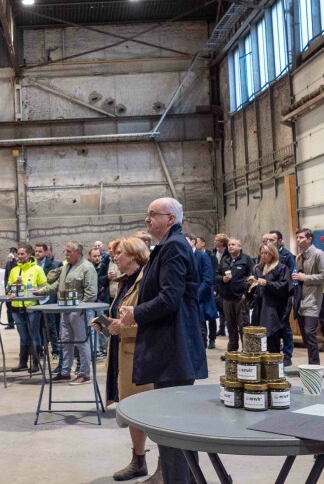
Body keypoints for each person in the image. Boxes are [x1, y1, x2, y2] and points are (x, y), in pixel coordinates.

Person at [113, 197, 209, 484]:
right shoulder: (168, 246)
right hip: (169, 347)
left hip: (174, 349)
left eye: (152, 215)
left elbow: (169, 298)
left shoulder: (175, 247)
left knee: (173, 427)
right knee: (171, 427)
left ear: (171, 218)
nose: (147, 220)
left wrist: (136, 314)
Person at [94, 237, 156, 482]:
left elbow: (151, 316)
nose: (115, 257)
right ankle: (138, 460)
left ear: (134, 255)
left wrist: (123, 326)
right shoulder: (125, 281)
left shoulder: (146, 281)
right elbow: (121, 316)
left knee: (144, 410)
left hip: (139, 353)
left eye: (119, 253)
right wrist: (106, 325)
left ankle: (163, 463)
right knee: (130, 409)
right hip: (122, 350)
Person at [35, 241, 97, 385]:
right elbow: (58, 285)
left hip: (80, 312)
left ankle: (85, 374)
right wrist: (43, 291)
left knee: (82, 342)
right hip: (65, 310)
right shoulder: (66, 267)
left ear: (78, 253)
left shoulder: (88, 268)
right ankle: (65, 372)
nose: (66, 254)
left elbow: (91, 293)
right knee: (65, 342)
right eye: (65, 251)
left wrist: (80, 309)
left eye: (69, 252)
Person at [292, 228, 324, 365]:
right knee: (305, 336)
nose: (298, 240)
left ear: (309, 239)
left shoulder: (318, 254)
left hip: (313, 301)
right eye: (297, 238)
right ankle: (311, 364)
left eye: (301, 238)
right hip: (300, 302)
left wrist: (305, 277)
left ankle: (314, 366)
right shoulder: (300, 256)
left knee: (310, 333)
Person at [5, 244, 47, 373]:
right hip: (17, 308)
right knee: (23, 336)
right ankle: (22, 363)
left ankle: (35, 363)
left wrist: (38, 291)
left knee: (34, 334)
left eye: (22, 254)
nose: (19, 256)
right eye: (18, 254)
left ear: (29, 254)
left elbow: (45, 287)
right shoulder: (14, 270)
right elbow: (8, 288)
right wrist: (12, 288)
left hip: (32, 307)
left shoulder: (37, 269)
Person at [246, 242, 292, 354]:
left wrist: (267, 283)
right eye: (262, 253)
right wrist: (251, 284)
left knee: (271, 337)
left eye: (266, 253)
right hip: (259, 306)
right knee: (258, 337)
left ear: (273, 253)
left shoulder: (281, 268)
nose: (264, 255)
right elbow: (252, 291)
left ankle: (273, 365)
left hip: (273, 308)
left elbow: (284, 287)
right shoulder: (258, 268)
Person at [262, 230, 297, 364]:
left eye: (271, 240)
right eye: (265, 241)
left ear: (279, 241)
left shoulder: (286, 256)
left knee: (284, 325)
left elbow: (290, 278)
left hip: (283, 296)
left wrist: (291, 291)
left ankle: (287, 355)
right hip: (269, 299)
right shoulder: (264, 257)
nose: (268, 243)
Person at [215, 237, 252, 353]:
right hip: (227, 299)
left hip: (240, 299)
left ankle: (246, 351)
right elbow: (216, 275)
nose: (231, 246)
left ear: (239, 247)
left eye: (233, 244)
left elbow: (252, 279)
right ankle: (232, 352)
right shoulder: (225, 260)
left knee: (243, 326)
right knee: (230, 326)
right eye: (229, 244)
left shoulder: (246, 260)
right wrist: (222, 279)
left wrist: (246, 294)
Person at [187, 233, 218, 349]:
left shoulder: (203, 256)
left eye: (186, 241)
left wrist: (197, 294)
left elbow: (208, 279)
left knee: (203, 325)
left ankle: (209, 341)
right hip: (190, 297)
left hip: (201, 296)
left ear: (193, 242)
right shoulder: (185, 256)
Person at [36, 243, 62, 359]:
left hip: (49, 298)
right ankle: (41, 348)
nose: (37, 253)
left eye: (40, 251)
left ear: (46, 252)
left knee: (51, 325)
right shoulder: (33, 266)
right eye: (36, 251)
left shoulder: (53, 265)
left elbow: (54, 284)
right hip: (36, 299)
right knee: (39, 325)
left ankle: (55, 350)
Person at [212, 233, 230, 337]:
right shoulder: (214, 253)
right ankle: (222, 328)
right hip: (217, 282)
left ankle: (227, 326)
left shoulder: (227, 254)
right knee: (220, 307)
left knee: (225, 307)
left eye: (216, 240)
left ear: (222, 243)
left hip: (225, 283)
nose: (214, 241)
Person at [3, 247, 18, 329]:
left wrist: (14, 260)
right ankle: (10, 323)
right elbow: (6, 276)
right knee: (8, 306)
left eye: (13, 252)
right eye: (11, 251)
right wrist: (6, 287)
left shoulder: (18, 262)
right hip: (9, 288)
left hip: (17, 287)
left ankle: (17, 321)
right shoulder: (8, 263)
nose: (11, 253)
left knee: (15, 306)